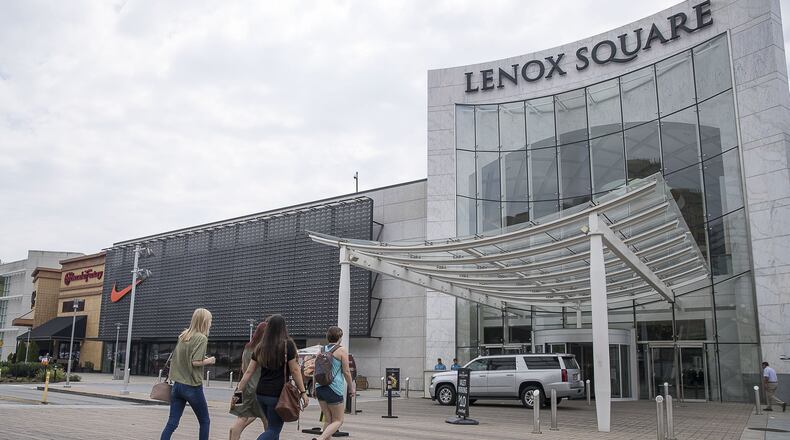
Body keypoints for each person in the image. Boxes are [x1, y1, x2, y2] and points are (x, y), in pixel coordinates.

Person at [236, 314, 309, 440]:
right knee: (274, 429)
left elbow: (248, 372)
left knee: (272, 428)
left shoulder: (260, 347)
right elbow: (295, 370)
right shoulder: (288, 345)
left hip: (261, 394)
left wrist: (238, 391)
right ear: (283, 328)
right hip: (277, 394)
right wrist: (303, 392)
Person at [161, 308, 216, 440]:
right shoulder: (202, 338)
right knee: (205, 421)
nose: (211, 323)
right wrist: (210, 360)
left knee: (172, 422)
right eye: (210, 320)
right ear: (204, 321)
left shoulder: (183, 336)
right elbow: (195, 362)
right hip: (192, 386)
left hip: (177, 386)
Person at [229, 321, 269, 440]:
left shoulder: (247, 347)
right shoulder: (263, 349)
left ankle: (233, 434)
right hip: (259, 388)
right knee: (267, 420)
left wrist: (237, 392)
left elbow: (243, 369)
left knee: (242, 417)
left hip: (244, 387)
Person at [313, 326, 353, 440]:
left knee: (328, 420)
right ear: (340, 337)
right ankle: (320, 439)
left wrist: (314, 388)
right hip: (334, 388)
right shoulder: (341, 350)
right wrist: (351, 388)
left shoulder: (321, 350)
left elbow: (315, 371)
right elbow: (346, 371)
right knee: (338, 420)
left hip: (320, 387)